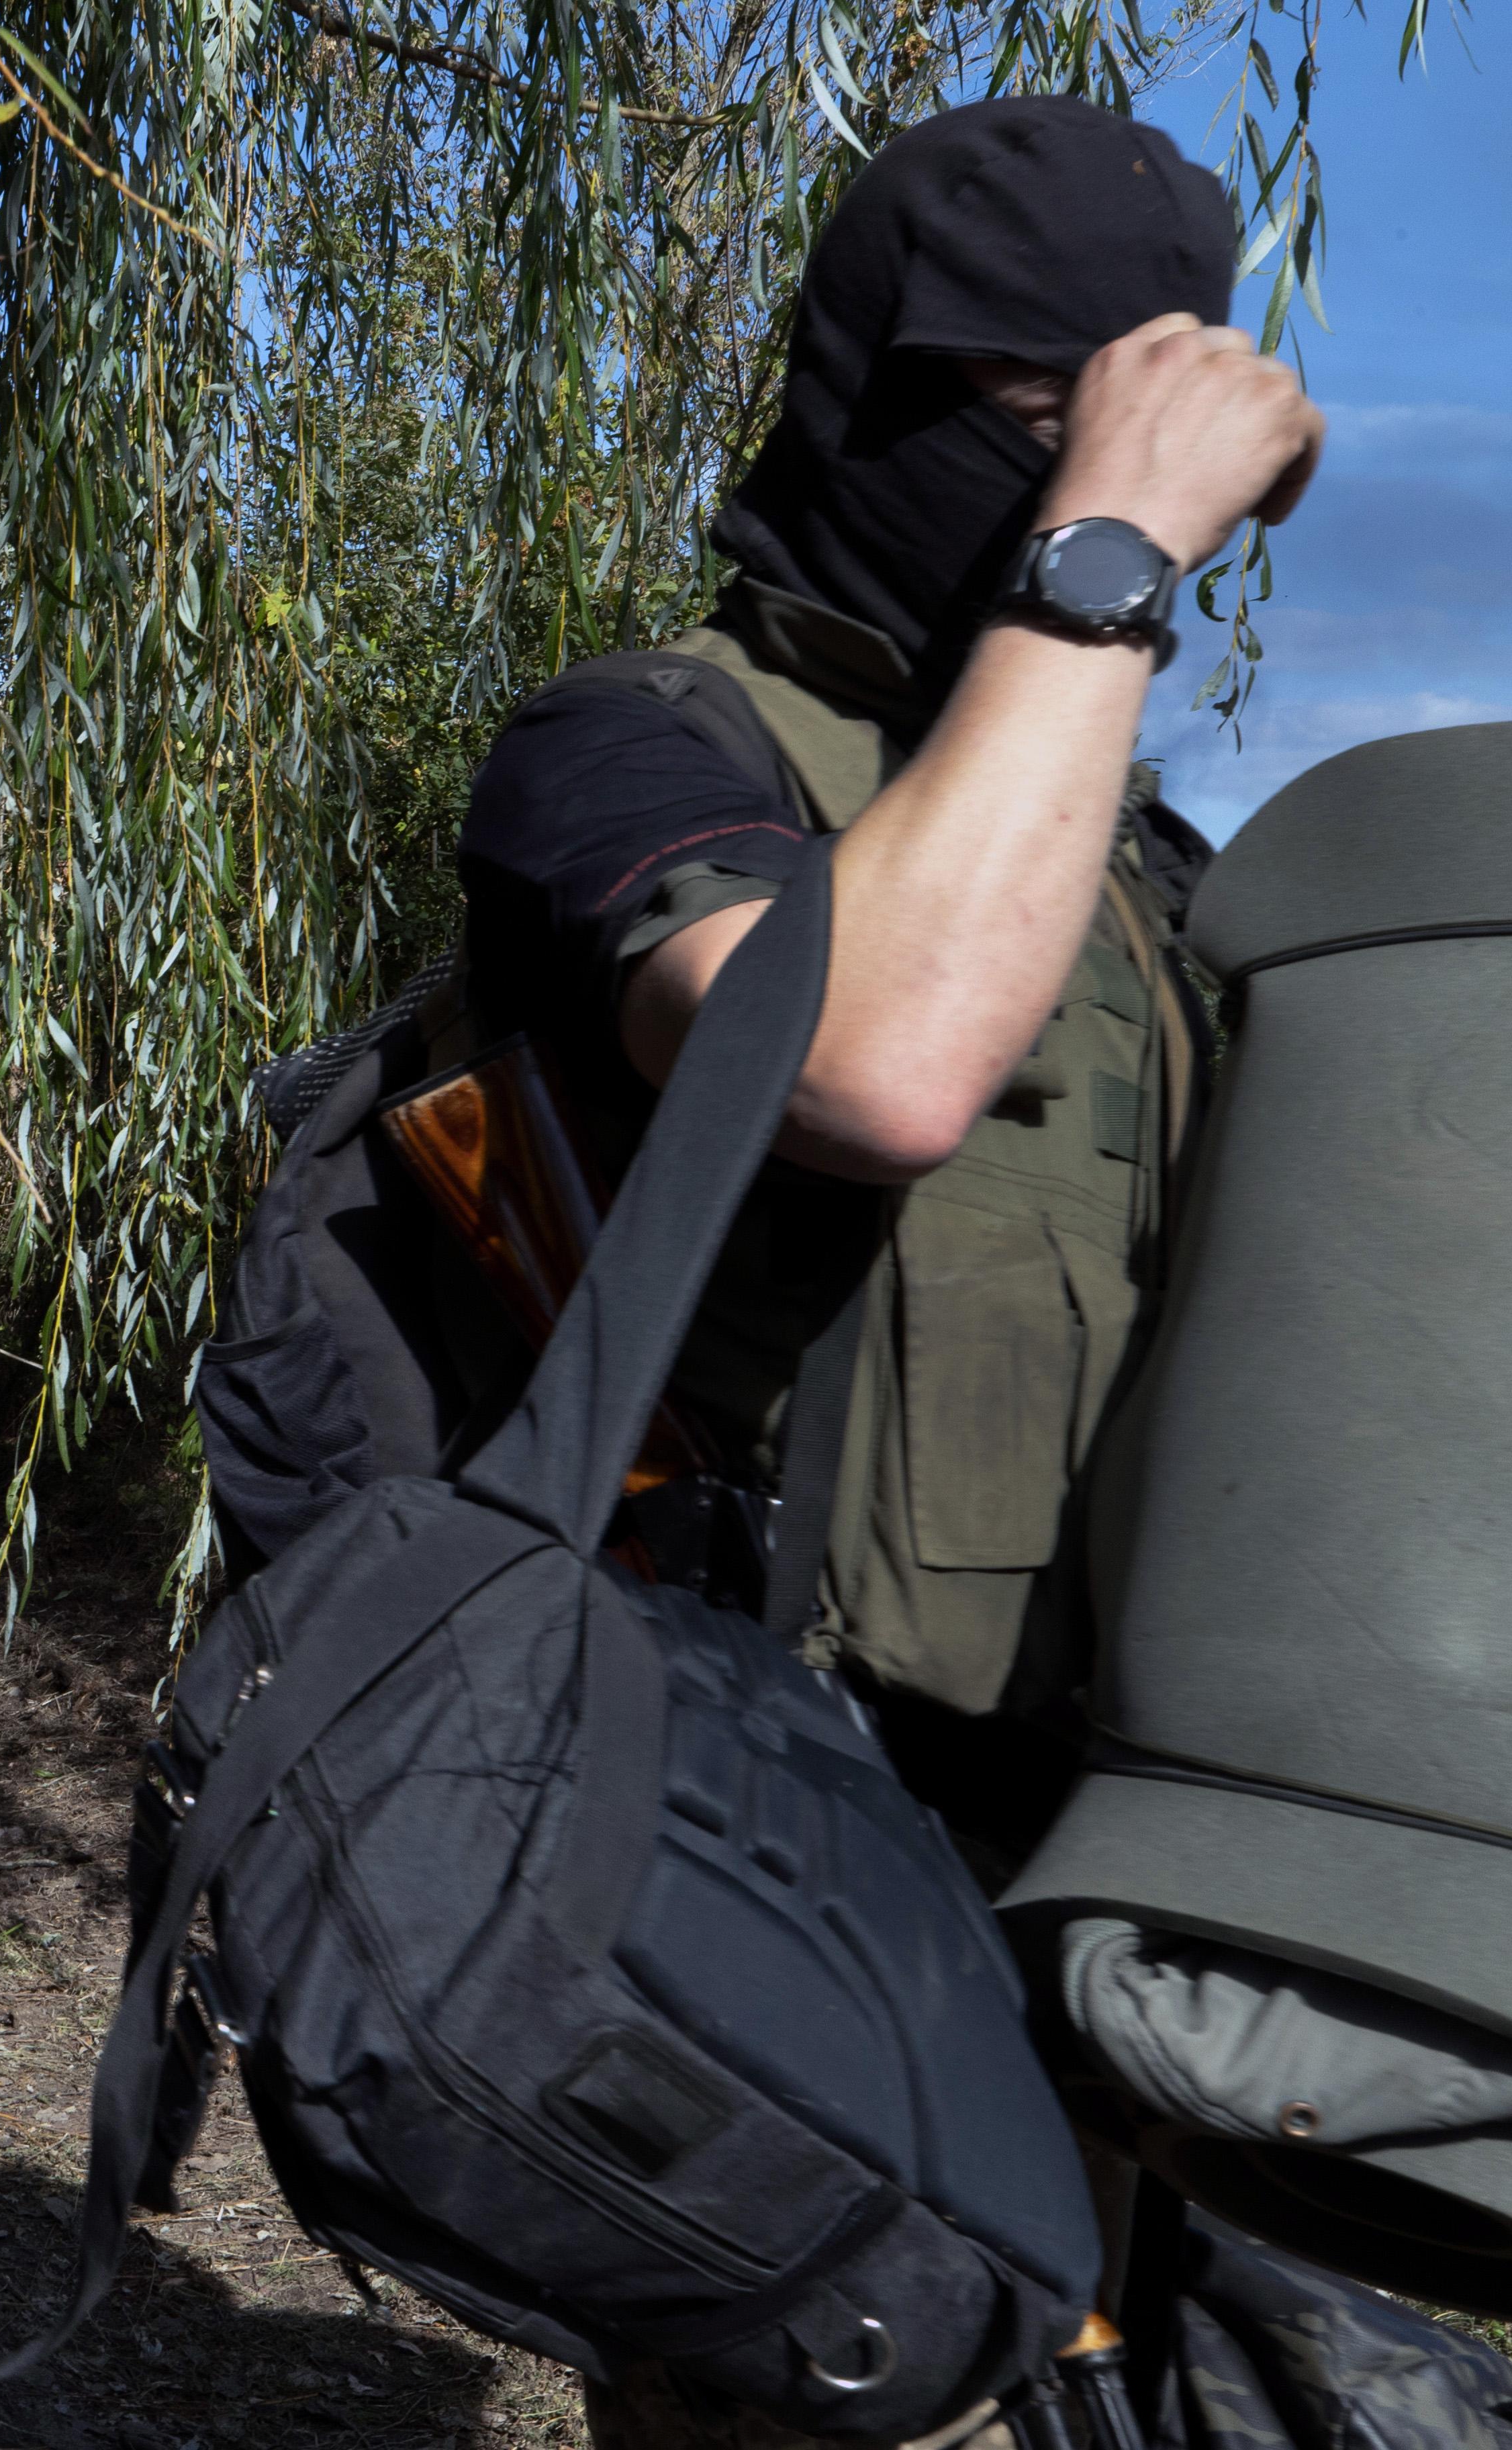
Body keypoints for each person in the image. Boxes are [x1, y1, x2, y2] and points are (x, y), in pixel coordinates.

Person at [454, 97, 1321, 2441]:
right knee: (806, 2376)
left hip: (1103, 1822)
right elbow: (875, 1065)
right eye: (1037, 421)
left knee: (1079, 2362)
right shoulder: (640, 743)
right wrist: (1109, 550)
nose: (1088, 486)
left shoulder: (1138, 870)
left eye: (1144, 436)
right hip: (767, 1807)